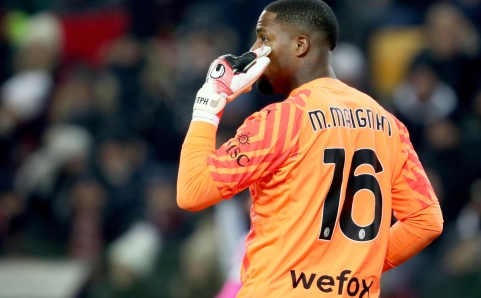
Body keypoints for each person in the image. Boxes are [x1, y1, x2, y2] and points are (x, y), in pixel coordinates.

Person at [177, 0, 444, 297]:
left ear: (300, 45)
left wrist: (208, 106)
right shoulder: (387, 123)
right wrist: (351, 266)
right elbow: (426, 221)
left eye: (264, 38)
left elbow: (193, 191)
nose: (254, 51)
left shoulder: (282, 120)